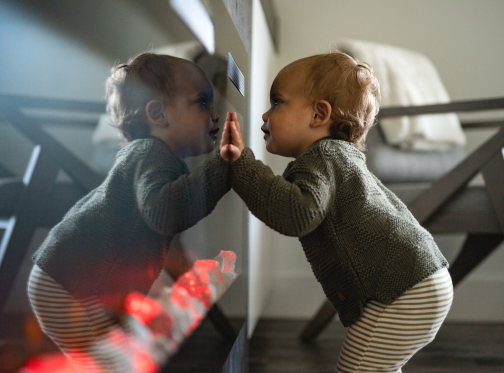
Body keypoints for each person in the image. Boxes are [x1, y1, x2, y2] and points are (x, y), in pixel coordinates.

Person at [220, 52, 453, 373]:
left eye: (276, 103)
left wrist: (242, 165)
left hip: (404, 288)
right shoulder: (340, 157)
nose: (264, 115)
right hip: (421, 280)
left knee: (357, 369)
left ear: (319, 114)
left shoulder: (323, 158)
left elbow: (295, 213)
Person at [27, 53, 231, 372]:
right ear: (158, 114)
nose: (215, 114)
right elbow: (164, 213)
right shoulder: (152, 155)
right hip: (70, 286)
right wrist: (221, 170)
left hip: (65, 278)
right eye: (202, 103)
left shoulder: (145, 155)